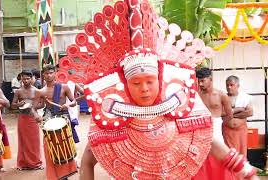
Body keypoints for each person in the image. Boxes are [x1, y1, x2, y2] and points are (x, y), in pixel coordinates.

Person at [79, 52, 258, 180]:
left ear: (160, 79)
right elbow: (87, 160)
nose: (144, 89)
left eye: (150, 81)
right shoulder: (112, 118)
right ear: (125, 85)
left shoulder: (181, 107)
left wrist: (246, 171)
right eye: (136, 83)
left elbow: (211, 143)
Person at [31, 64, 77, 180]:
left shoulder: (64, 87)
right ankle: (54, 173)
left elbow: (74, 101)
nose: (49, 75)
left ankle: (66, 172)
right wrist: (36, 115)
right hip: (48, 118)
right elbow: (34, 107)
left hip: (63, 117)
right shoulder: (40, 91)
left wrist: (68, 104)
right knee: (49, 145)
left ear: (55, 73)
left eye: (51, 72)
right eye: (46, 73)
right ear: (43, 75)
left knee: (64, 145)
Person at [194, 67, 236, 180]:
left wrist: (219, 124)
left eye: (203, 80)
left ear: (210, 79)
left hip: (216, 127)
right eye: (198, 81)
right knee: (201, 156)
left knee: (219, 155)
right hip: (200, 128)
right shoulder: (196, 95)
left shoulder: (221, 95)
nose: (200, 83)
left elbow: (229, 114)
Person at [11, 70, 42, 170]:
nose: (26, 80)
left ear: (32, 78)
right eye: (24, 79)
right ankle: (23, 163)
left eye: (28, 78)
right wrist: (18, 105)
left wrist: (34, 108)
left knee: (34, 141)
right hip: (23, 118)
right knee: (23, 140)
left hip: (33, 118)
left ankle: (36, 163)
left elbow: (43, 104)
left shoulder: (37, 91)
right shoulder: (18, 91)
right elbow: (12, 105)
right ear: (21, 79)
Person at [223, 75, 253, 156]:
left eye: (231, 85)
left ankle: (242, 168)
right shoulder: (223, 97)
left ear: (238, 86)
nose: (229, 87)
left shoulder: (244, 97)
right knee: (229, 154)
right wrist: (239, 109)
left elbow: (250, 112)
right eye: (227, 85)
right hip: (227, 131)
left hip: (241, 130)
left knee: (242, 153)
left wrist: (232, 115)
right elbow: (222, 113)